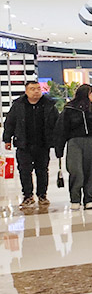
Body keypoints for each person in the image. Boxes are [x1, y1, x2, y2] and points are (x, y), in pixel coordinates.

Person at [3, 81, 59, 209]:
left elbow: (57, 123)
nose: (36, 91)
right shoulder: (18, 105)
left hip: (42, 144)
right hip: (24, 144)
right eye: (32, 89)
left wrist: (57, 140)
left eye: (38, 89)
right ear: (26, 91)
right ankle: (28, 196)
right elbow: (10, 123)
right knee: (24, 171)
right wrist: (7, 139)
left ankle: (42, 195)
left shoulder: (49, 105)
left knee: (42, 170)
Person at [54, 83, 92, 210]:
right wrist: (59, 148)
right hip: (74, 143)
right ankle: (75, 199)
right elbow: (61, 129)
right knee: (76, 170)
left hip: (91, 142)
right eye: (91, 93)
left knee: (91, 171)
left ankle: (89, 198)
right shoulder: (69, 109)